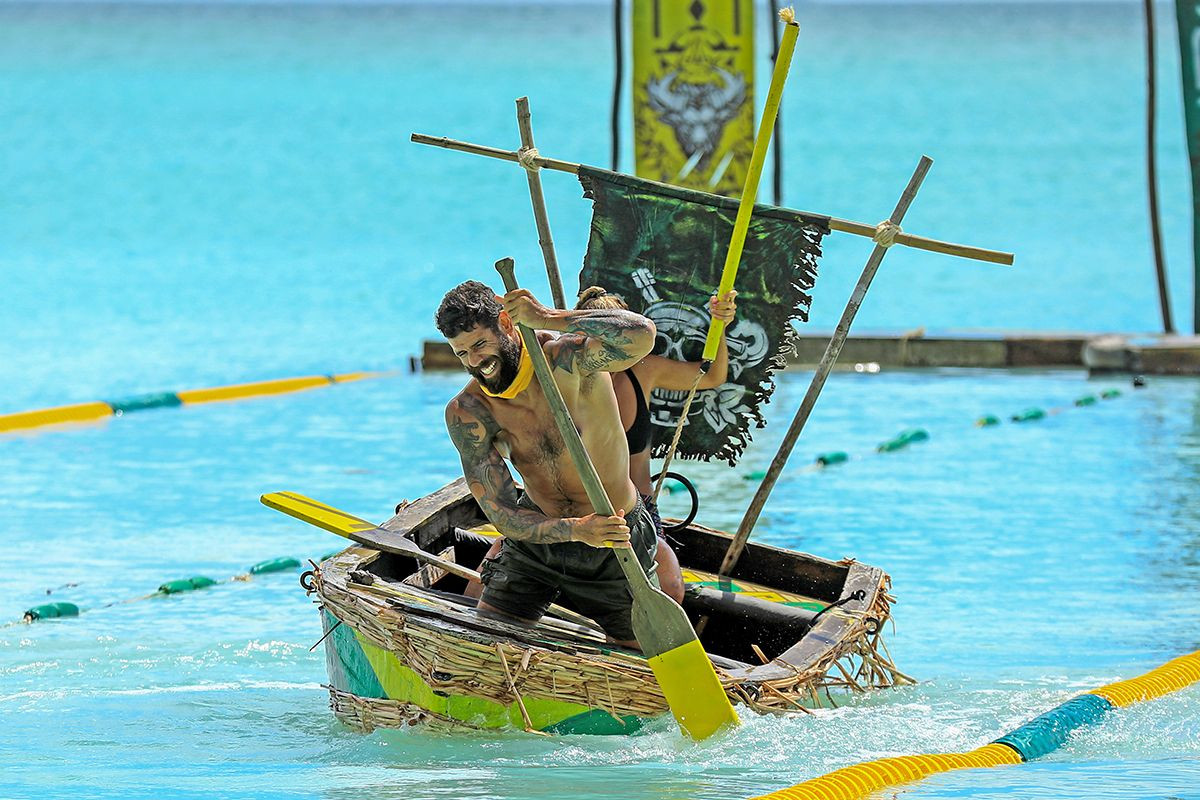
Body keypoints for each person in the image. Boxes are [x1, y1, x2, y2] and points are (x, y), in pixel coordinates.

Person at [465, 286, 738, 605]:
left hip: (631, 515)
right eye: (596, 339)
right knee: (482, 581)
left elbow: (711, 376)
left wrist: (720, 326)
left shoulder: (644, 370)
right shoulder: (557, 373)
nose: (604, 345)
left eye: (610, 337)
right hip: (559, 512)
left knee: (670, 584)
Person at [436, 280, 659, 647]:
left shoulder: (567, 360)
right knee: (487, 648)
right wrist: (574, 529)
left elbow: (642, 335)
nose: (476, 362)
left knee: (637, 668)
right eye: (461, 354)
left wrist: (548, 317)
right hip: (537, 541)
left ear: (507, 324)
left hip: (614, 538)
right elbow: (503, 513)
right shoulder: (469, 411)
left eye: (479, 345)